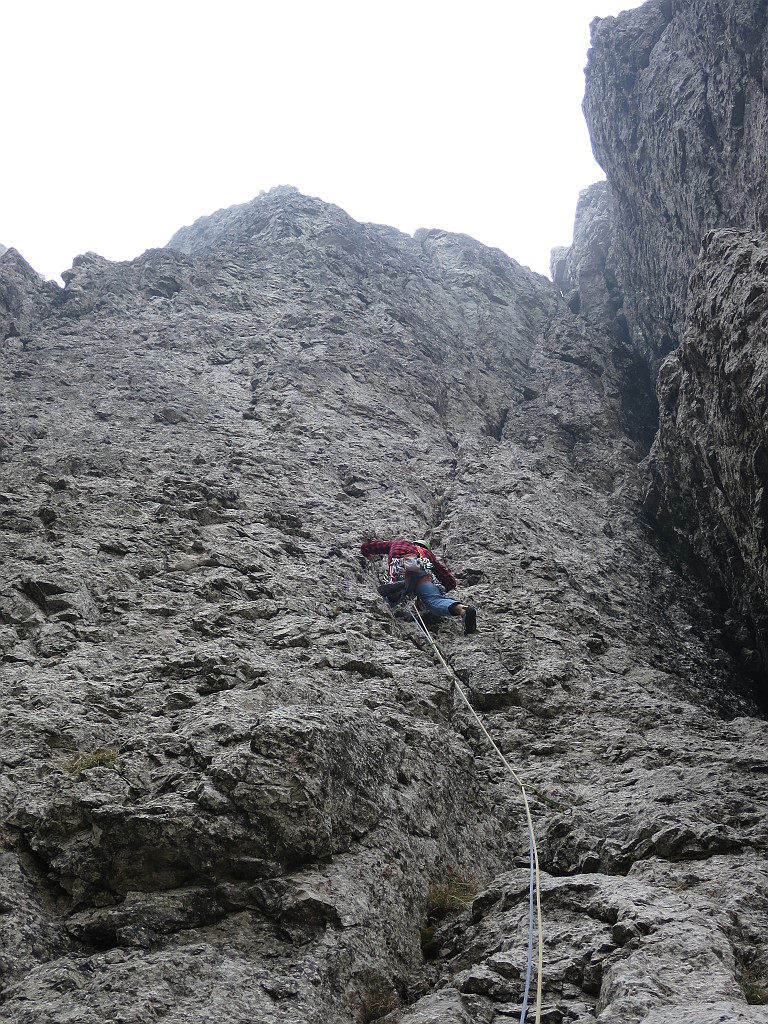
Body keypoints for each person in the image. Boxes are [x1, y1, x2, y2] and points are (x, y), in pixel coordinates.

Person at [361, 537, 477, 635]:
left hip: (402, 564)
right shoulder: (427, 554)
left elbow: (371, 546)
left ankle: (396, 591)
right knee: (434, 601)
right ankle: (462, 610)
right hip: (423, 573)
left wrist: (367, 553)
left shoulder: (399, 543)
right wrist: (446, 587)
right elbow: (444, 574)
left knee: (389, 601)